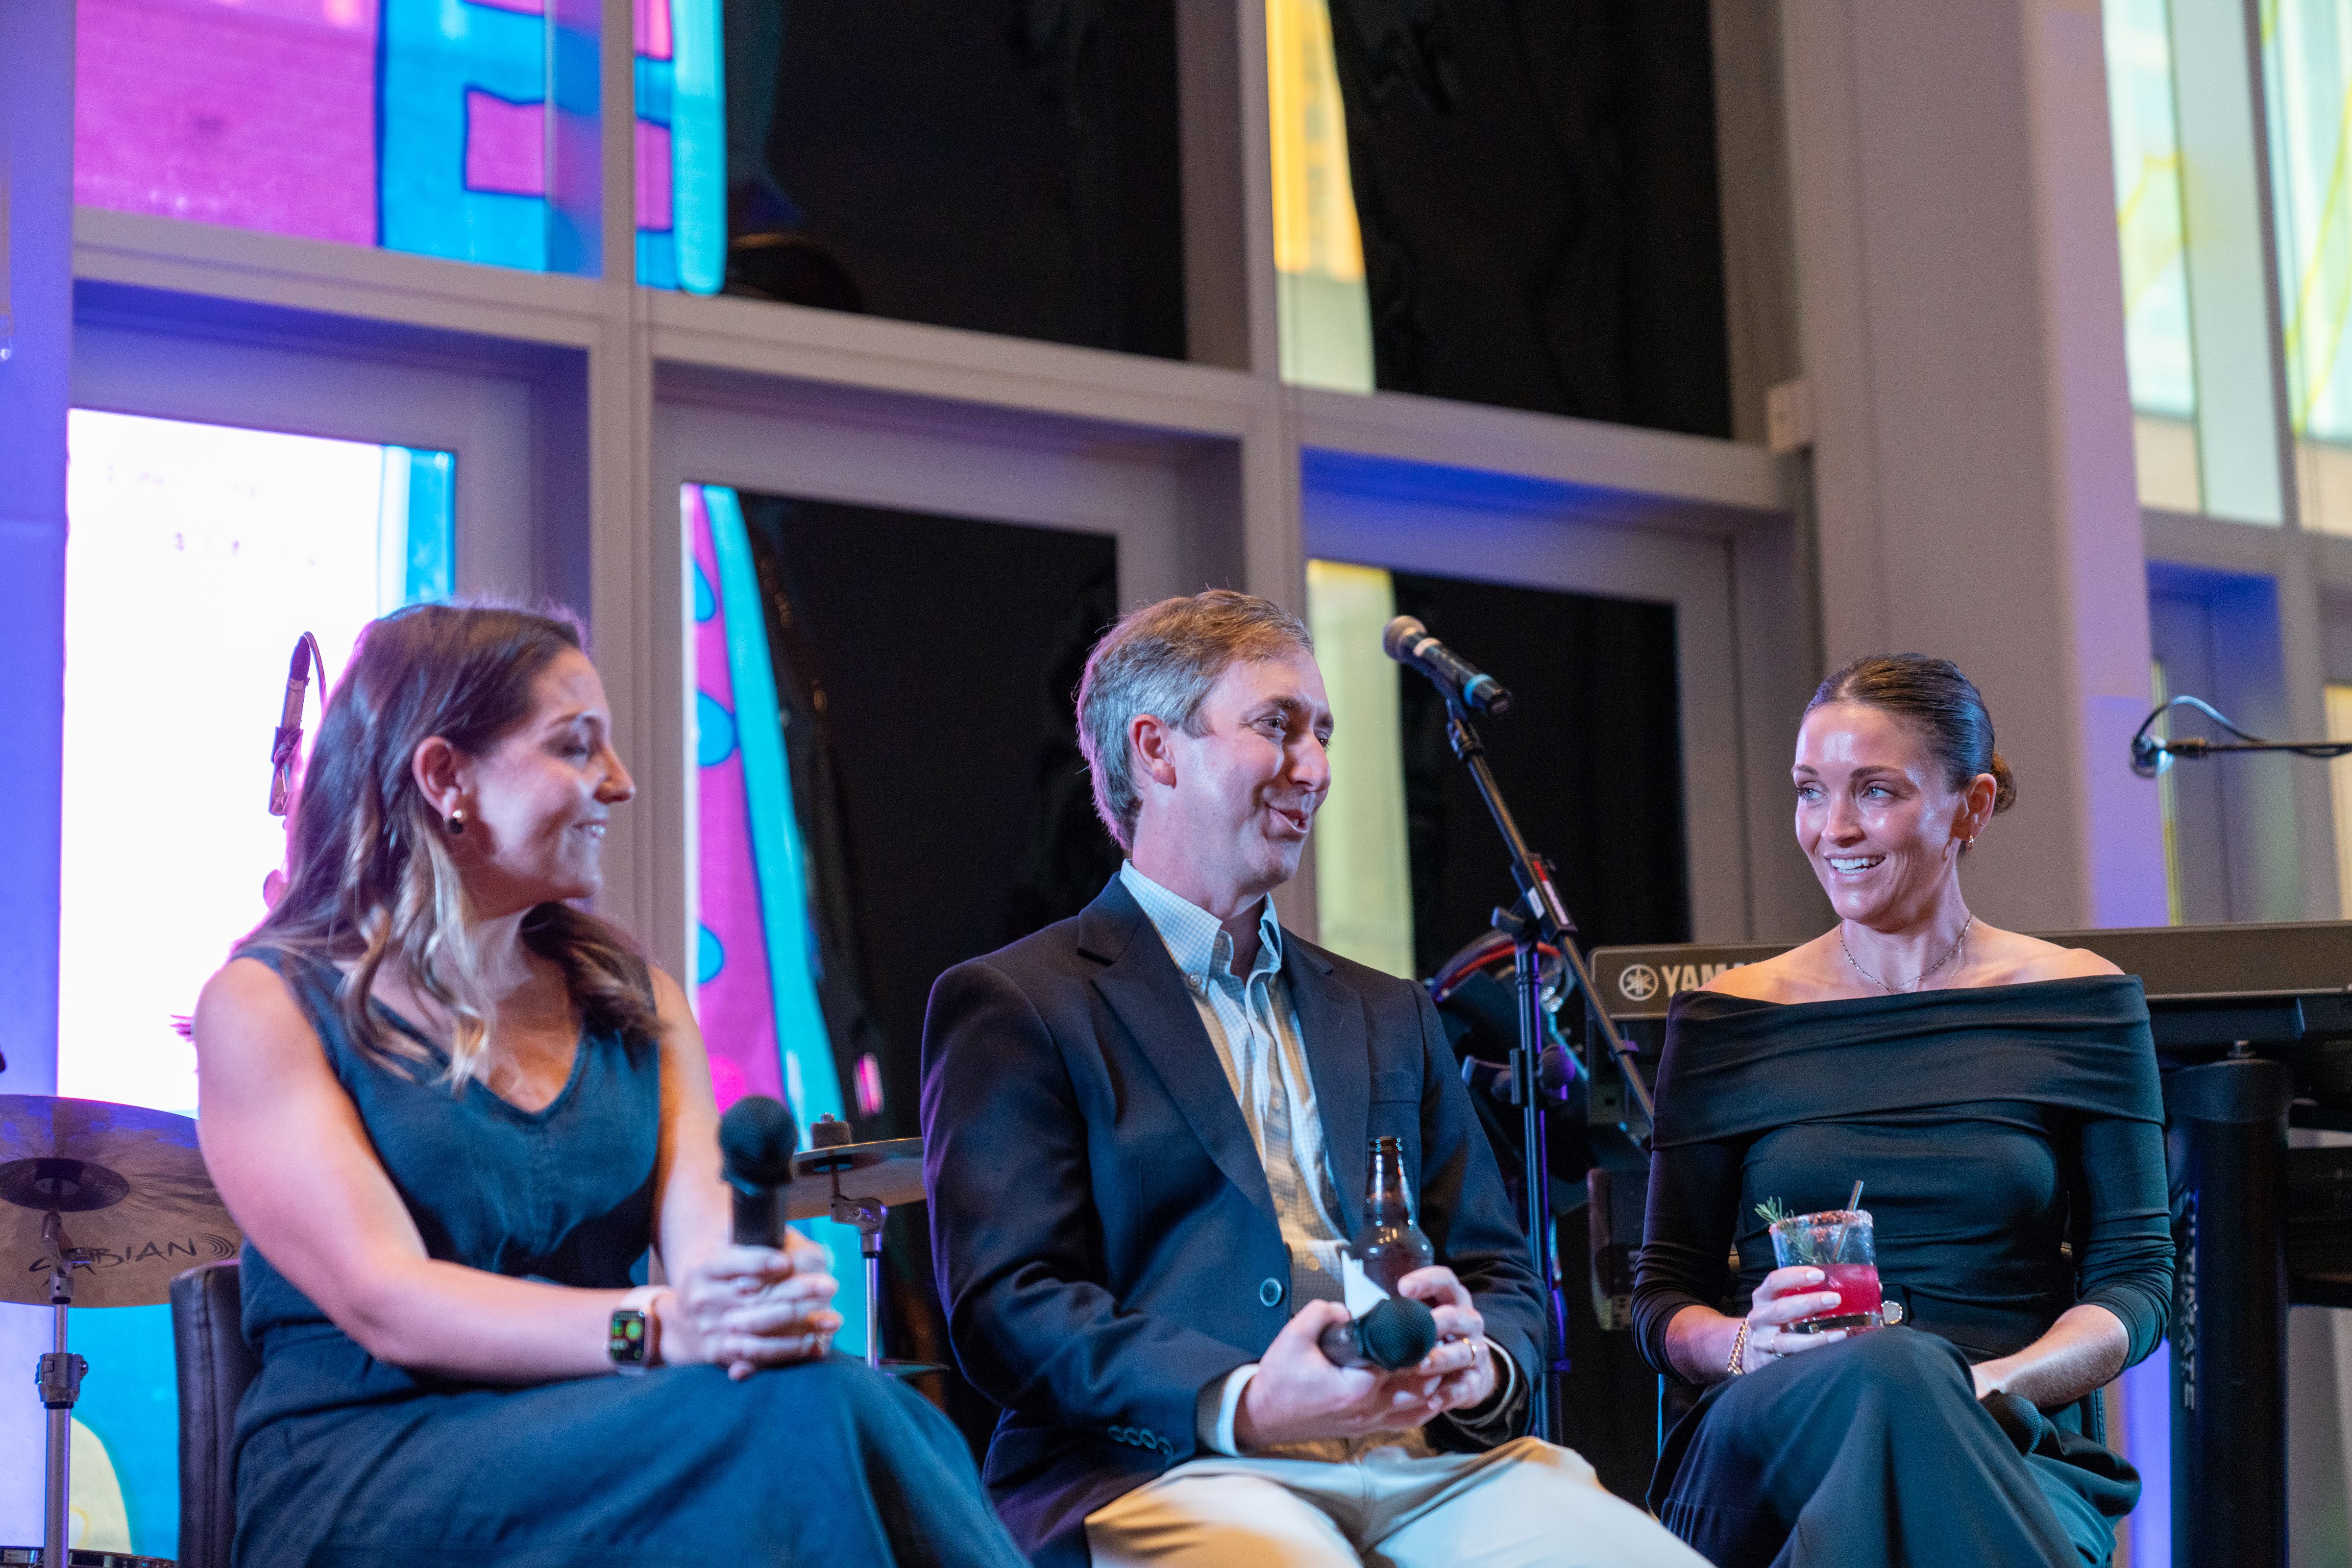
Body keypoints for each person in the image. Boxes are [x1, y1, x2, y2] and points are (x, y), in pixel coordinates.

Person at [192, 602, 1029, 1568]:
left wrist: (755, 1287)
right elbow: (393, 1304)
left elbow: (706, 1237)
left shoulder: (639, 1004)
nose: (620, 784)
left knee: (864, 1399)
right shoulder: (265, 1006)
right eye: (576, 748)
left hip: (607, 1433)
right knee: (814, 1416)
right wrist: (662, 1323)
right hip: (369, 1470)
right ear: (445, 776)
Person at [921, 590, 1708, 1568]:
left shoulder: (1391, 1012)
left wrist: (1483, 1359)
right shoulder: (1017, 1002)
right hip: (1175, 1466)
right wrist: (1246, 1398)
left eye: (1324, 733)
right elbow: (1011, 1303)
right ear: (1157, 750)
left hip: (1431, 1462)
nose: (1319, 769)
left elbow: (1499, 1268)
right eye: (1279, 726)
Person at [1631, 654, 2173, 1568]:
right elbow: (1659, 1297)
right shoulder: (1731, 1019)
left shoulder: (2081, 1002)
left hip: (2008, 1435)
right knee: (1897, 1368)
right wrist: (1740, 1343)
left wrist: (1988, 1383)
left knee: (1903, 1401)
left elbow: (2139, 1285)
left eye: (1874, 792)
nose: (1832, 828)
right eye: (1811, 792)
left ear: (1974, 806)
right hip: (1768, 1438)